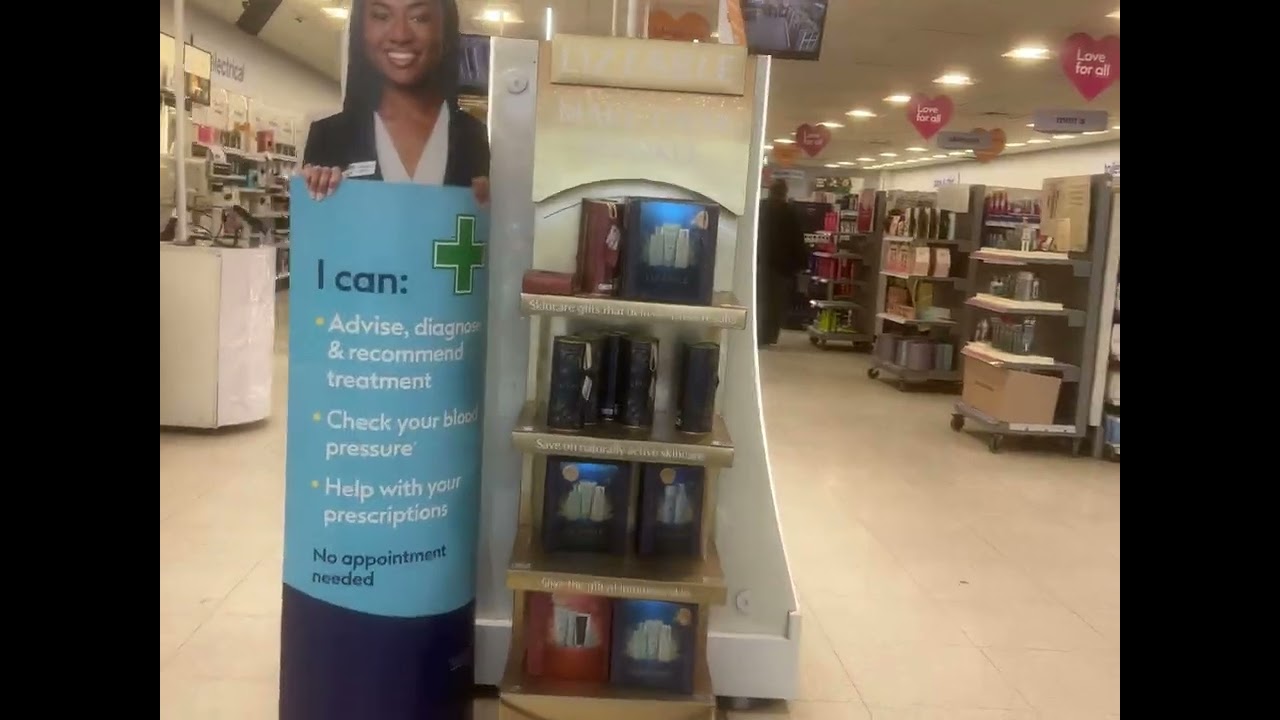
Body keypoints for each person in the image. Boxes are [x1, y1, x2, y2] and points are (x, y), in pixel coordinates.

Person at [300, 0, 490, 206]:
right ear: (360, 29)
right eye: (381, 16)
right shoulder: (329, 137)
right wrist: (314, 191)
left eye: (419, 18)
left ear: (445, 30)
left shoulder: (473, 136)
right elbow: (317, 230)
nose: (400, 35)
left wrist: (491, 209)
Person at [757, 179, 806, 347]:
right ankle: (770, 336)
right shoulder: (789, 212)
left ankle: (756, 332)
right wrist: (800, 264)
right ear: (784, 193)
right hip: (782, 267)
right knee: (776, 303)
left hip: (759, 263)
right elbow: (797, 240)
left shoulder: (760, 208)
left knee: (759, 299)